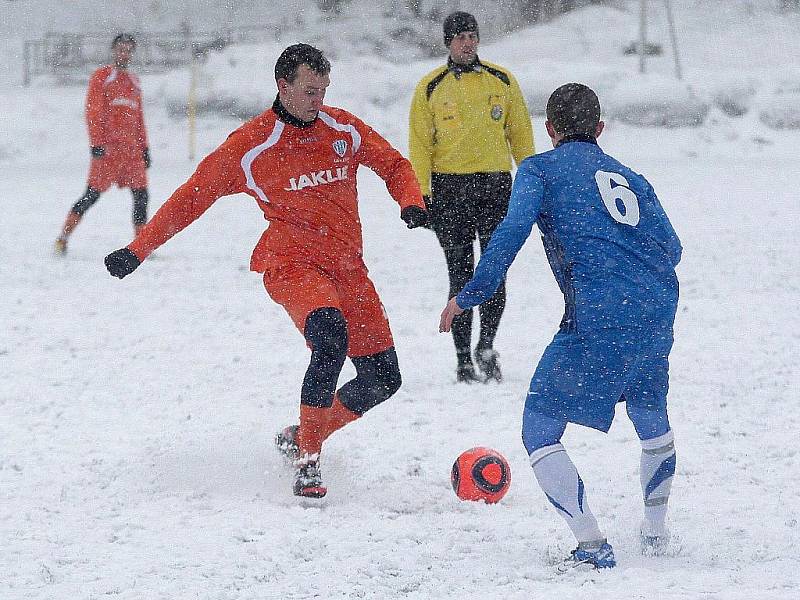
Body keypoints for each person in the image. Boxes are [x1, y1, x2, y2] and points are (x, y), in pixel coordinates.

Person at [104, 44, 429, 498]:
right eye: (310, 91)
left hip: (348, 268)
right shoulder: (252, 144)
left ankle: (304, 433)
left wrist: (410, 202)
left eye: (324, 90)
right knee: (329, 336)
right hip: (291, 263)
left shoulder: (342, 129)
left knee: (383, 378)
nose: (319, 101)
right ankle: (309, 459)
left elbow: (394, 164)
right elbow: (193, 196)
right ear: (284, 86)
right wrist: (137, 250)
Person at [440, 83, 682, 568]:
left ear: (548, 130)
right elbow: (673, 248)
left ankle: (591, 544)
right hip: (656, 307)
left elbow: (510, 231)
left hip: (599, 311)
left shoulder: (540, 168)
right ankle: (655, 533)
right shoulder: (631, 176)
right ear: (599, 130)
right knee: (650, 417)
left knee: (540, 427)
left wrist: (471, 293)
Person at [409, 11, 534, 383]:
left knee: (494, 272)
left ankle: (487, 346)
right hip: (450, 190)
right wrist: (421, 196)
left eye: (472, 36)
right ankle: (463, 357)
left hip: (496, 187)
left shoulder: (502, 80)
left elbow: (521, 136)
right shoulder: (431, 86)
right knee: (460, 274)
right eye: (460, 37)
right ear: (448, 42)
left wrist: (533, 183)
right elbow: (420, 145)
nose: (467, 42)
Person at [55, 33, 151, 255]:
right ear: (113, 51)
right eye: (120, 49)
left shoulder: (134, 82)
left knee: (141, 196)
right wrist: (96, 143)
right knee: (91, 195)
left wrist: (145, 147)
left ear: (132, 53)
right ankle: (63, 237)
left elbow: (139, 119)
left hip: (132, 152)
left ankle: (141, 246)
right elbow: (93, 112)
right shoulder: (102, 77)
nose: (124, 54)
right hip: (108, 152)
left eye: (128, 50)